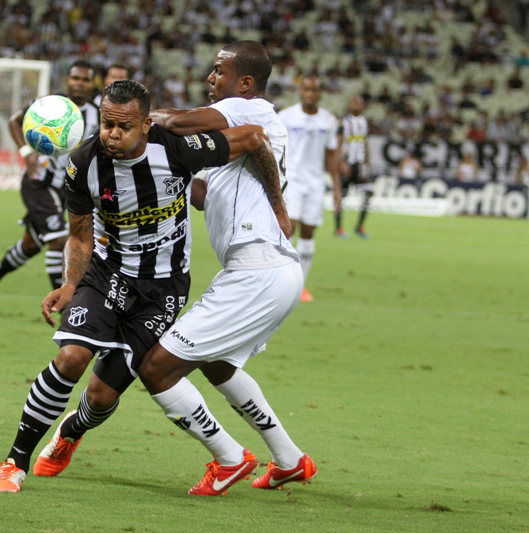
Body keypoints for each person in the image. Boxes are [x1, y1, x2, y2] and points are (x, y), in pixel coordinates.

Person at [0, 79, 288, 493]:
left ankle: (71, 431)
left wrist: (278, 206)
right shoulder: (84, 162)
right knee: (71, 358)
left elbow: (254, 137)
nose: (112, 134)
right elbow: (79, 234)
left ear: (145, 124)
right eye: (107, 123)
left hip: (163, 288)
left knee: (102, 395)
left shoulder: (178, 148)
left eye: (123, 126)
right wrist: (70, 284)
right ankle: (13, 463)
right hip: (107, 272)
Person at [137, 41, 317, 496]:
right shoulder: (234, 142)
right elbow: (201, 195)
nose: (210, 79)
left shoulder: (247, 108)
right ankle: (290, 460)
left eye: (219, 70)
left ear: (246, 82)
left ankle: (229, 458)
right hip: (264, 270)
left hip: (257, 268)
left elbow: (178, 121)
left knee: (157, 368)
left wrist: (139, 118)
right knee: (217, 364)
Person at [0, 60, 100, 313]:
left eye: (86, 80)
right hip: (40, 184)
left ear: (92, 83)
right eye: (76, 78)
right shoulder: (51, 105)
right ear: (68, 80)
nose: (80, 83)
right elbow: (14, 121)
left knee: (32, 243)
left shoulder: (98, 112)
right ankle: (67, 308)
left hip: (70, 187)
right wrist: (27, 153)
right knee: (59, 241)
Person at [278, 75, 341, 302]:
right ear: (300, 91)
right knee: (289, 228)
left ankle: (300, 286)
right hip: (291, 180)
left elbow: (332, 155)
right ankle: (282, 280)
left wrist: (336, 187)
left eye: (315, 90)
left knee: (309, 232)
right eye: (307, 89)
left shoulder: (329, 120)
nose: (310, 94)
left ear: (320, 93)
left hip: (315, 183)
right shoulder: (285, 117)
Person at [335, 95, 371, 239]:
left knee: (368, 194)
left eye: (360, 103)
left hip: (360, 163)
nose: (357, 105)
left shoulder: (364, 122)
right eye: (354, 102)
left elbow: (365, 142)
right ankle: (338, 228)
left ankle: (359, 226)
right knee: (342, 196)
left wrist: (368, 162)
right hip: (347, 163)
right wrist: (340, 163)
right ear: (349, 104)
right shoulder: (343, 122)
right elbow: (338, 143)